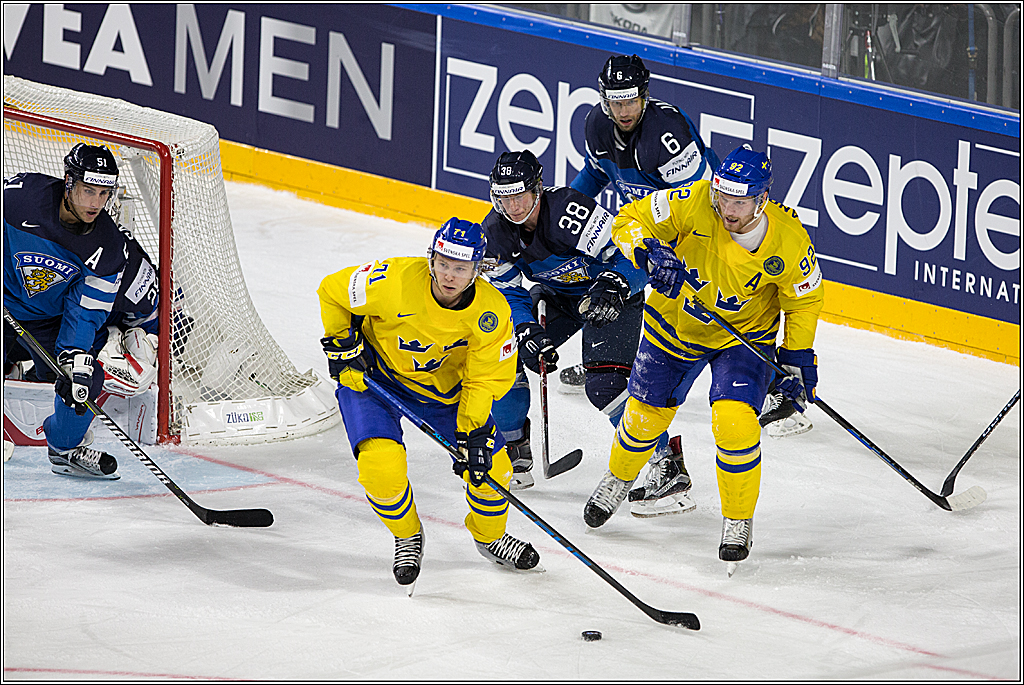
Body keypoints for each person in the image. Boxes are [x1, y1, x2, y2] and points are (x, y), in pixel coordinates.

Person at [582, 145, 824, 572]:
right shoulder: (692, 200)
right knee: (643, 418)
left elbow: (803, 300)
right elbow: (629, 219)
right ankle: (617, 481)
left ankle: (737, 519)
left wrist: (796, 357)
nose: (727, 208)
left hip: (743, 338)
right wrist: (647, 251)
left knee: (734, 422)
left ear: (762, 200)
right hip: (674, 326)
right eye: (722, 197)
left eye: (739, 201)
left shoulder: (788, 238)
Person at [317, 217, 540, 592]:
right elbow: (332, 290)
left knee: (493, 469)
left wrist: (472, 433)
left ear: (478, 268)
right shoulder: (392, 280)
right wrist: (341, 346)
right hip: (374, 380)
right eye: (443, 263)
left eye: (461, 267)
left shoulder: (492, 313)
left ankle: (489, 537)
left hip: (445, 396)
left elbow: (484, 378)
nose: (449, 275)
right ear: (431, 258)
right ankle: (407, 536)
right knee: (380, 471)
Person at [481, 150, 691, 514]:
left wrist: (615, 282)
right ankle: (512, 447)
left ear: (538, 188)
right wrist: (525, 326)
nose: (512, 206)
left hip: (611, 295)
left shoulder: (568, 212)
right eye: (504, 196)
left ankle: (666, 463)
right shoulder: (495, 232)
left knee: (605, 387)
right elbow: (510, 292)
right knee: (503, 349)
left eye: (519, 194)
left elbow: (633, 254)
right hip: (558, 298)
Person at [3, 143, 131, 480]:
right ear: (68, 181)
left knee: (83, 383)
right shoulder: (20, 198)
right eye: (88, 190)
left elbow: (87, 309)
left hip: (47, 319)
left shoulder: (109, 247)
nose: (95, 203)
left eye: (104, 193)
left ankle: (64, 449)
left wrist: (73, 358)